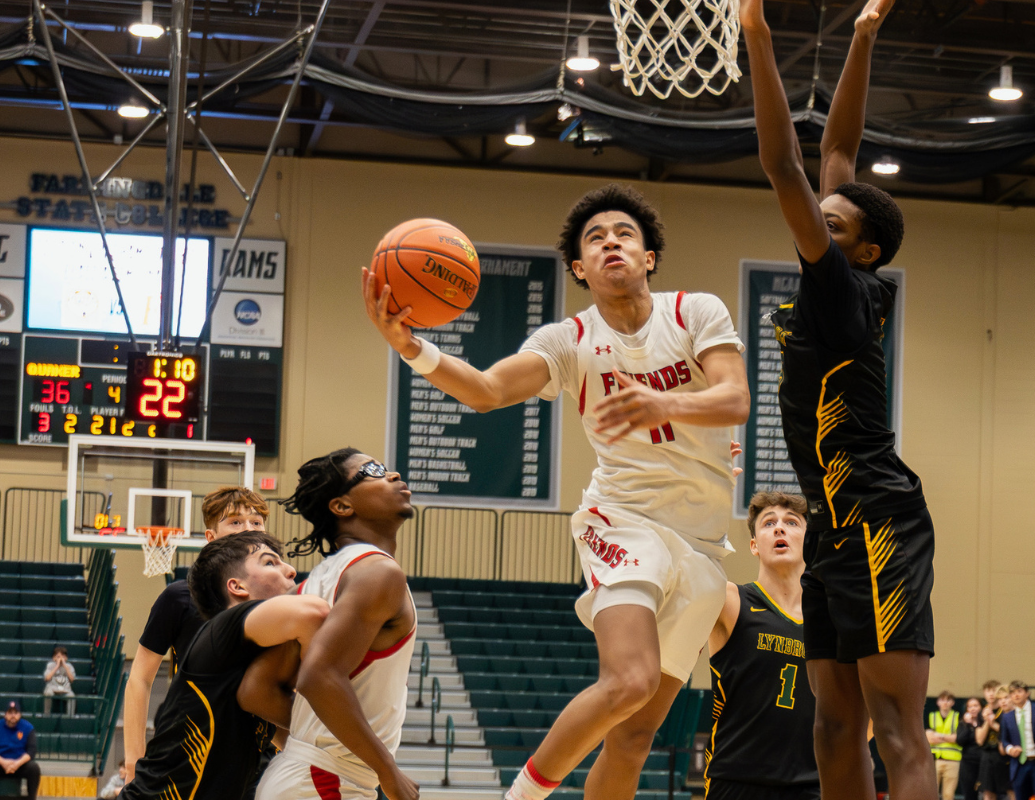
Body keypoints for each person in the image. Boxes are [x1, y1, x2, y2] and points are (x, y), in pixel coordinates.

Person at [363, 183, 750, 800]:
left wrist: (664, 403)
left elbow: (735, 399)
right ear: (579, 268)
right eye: (595, 239)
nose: (610, 242)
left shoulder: (694, 312)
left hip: (702, 543)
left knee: (635, 735)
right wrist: (412, 346)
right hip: (624, 519)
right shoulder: (567, 340)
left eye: (624, 233)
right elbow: (488, 390)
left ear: (649, 256)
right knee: (629, 680)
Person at [738, 0, 935, 796]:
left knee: (897, 730)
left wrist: (756, 35)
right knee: (832, 726)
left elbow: (785, 164)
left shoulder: (842, 288)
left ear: (867, 250)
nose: (815, 227)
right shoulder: (842, 277)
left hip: (880, 519)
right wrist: (862, 35)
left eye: (832, 225)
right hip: (831, 523)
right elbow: (839, 152)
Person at [255, 449, 420, 800]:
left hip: (305, 774)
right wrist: (387, 771)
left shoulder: (313, 583)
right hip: (325, 780)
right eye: (373, 470)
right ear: (342, 506)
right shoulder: (378, 572)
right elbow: (319, 675)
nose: (392, 475)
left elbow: (256, 690)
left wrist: (308, 742)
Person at [121, 533, 330, 800]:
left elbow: (296, 740)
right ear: (237, 586)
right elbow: (316, 612)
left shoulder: (257, 663)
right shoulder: (219, 632)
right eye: (270, 563)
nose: (290, 570)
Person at [124, 487, 270, 782]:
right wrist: (132, 762)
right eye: (236, 521)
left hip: (257, 755)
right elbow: (139, 678)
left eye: (256, 522)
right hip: (187, 750)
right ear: (211, 537)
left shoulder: (279, 601)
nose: (248, 529)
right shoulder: (179, 597)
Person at [704, 491, 818, 800]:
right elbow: (688, 568)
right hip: (735, 781)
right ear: (754, 545)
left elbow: (862, 715)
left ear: (809, 541)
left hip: (810, 785)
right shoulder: (729, 600)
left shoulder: (829, 620)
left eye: (792, 522)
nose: (780, 528)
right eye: (769, 523)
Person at [1000, 680, 1035, 800]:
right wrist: (1010, 749)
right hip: (1019, 763)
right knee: (1020, 796)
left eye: (1019, 691)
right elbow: (1004, 740)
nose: (1016, 695)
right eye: (1013, 693)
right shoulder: (1007, 717)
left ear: (1027, 693)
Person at [978, 685, 1012, 800]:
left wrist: (993, 724)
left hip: (1006, 756)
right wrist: (987, 721)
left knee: (1011, 790)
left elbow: (1010, 733)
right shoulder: (983, 712)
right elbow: (979, 740)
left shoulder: (1007, 713)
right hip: (988, 755)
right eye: (1001, 698)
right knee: (987, 791)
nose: (991, 694)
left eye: (1005, 698)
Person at [927, 691, 962, 800]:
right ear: (937, 702)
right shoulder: (931, 716)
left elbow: (957, 738)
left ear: (952, 702)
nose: (945, 703)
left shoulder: (957, 716)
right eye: (942, 700)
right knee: (931, 793)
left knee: (948, 795)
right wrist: (948, 737)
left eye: (948, 700)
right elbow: (929, 738)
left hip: (953, 760)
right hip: (934, 759)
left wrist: (939, 735)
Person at [0, 701, 38, 798]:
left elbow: (31, 751)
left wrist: (17, 764)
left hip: (20, 764)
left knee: (34, 768)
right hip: (1, 763)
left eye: (16, 712)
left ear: (20, 714)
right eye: (10, 712)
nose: (13, 715)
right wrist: (3, 762)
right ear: (5, 714)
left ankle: (31, 798)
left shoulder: (28, 728)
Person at [958, 697, 984, 800]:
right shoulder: (963, 723)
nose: (973, 709)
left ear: (981, 707)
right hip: (968, 763)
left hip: (983, 762)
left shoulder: (984, 723)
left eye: (975, 706)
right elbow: (960, 741)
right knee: (969, 794)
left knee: (985, 793)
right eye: (970, 706)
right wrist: (968, 725)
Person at [41, 646, 75, 715]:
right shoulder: (50, 665)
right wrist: (57, 666)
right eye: (58, 656)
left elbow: (72, 679)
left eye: (63, 656)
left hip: (65, 689)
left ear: (66, 658)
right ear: (54, 658)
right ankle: (46, 715)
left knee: (72, 696)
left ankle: (70, 717)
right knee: (48, 693)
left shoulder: (69, 666)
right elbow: (47, 678)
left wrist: (65, 666)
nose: (61, 659)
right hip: (52, 688)